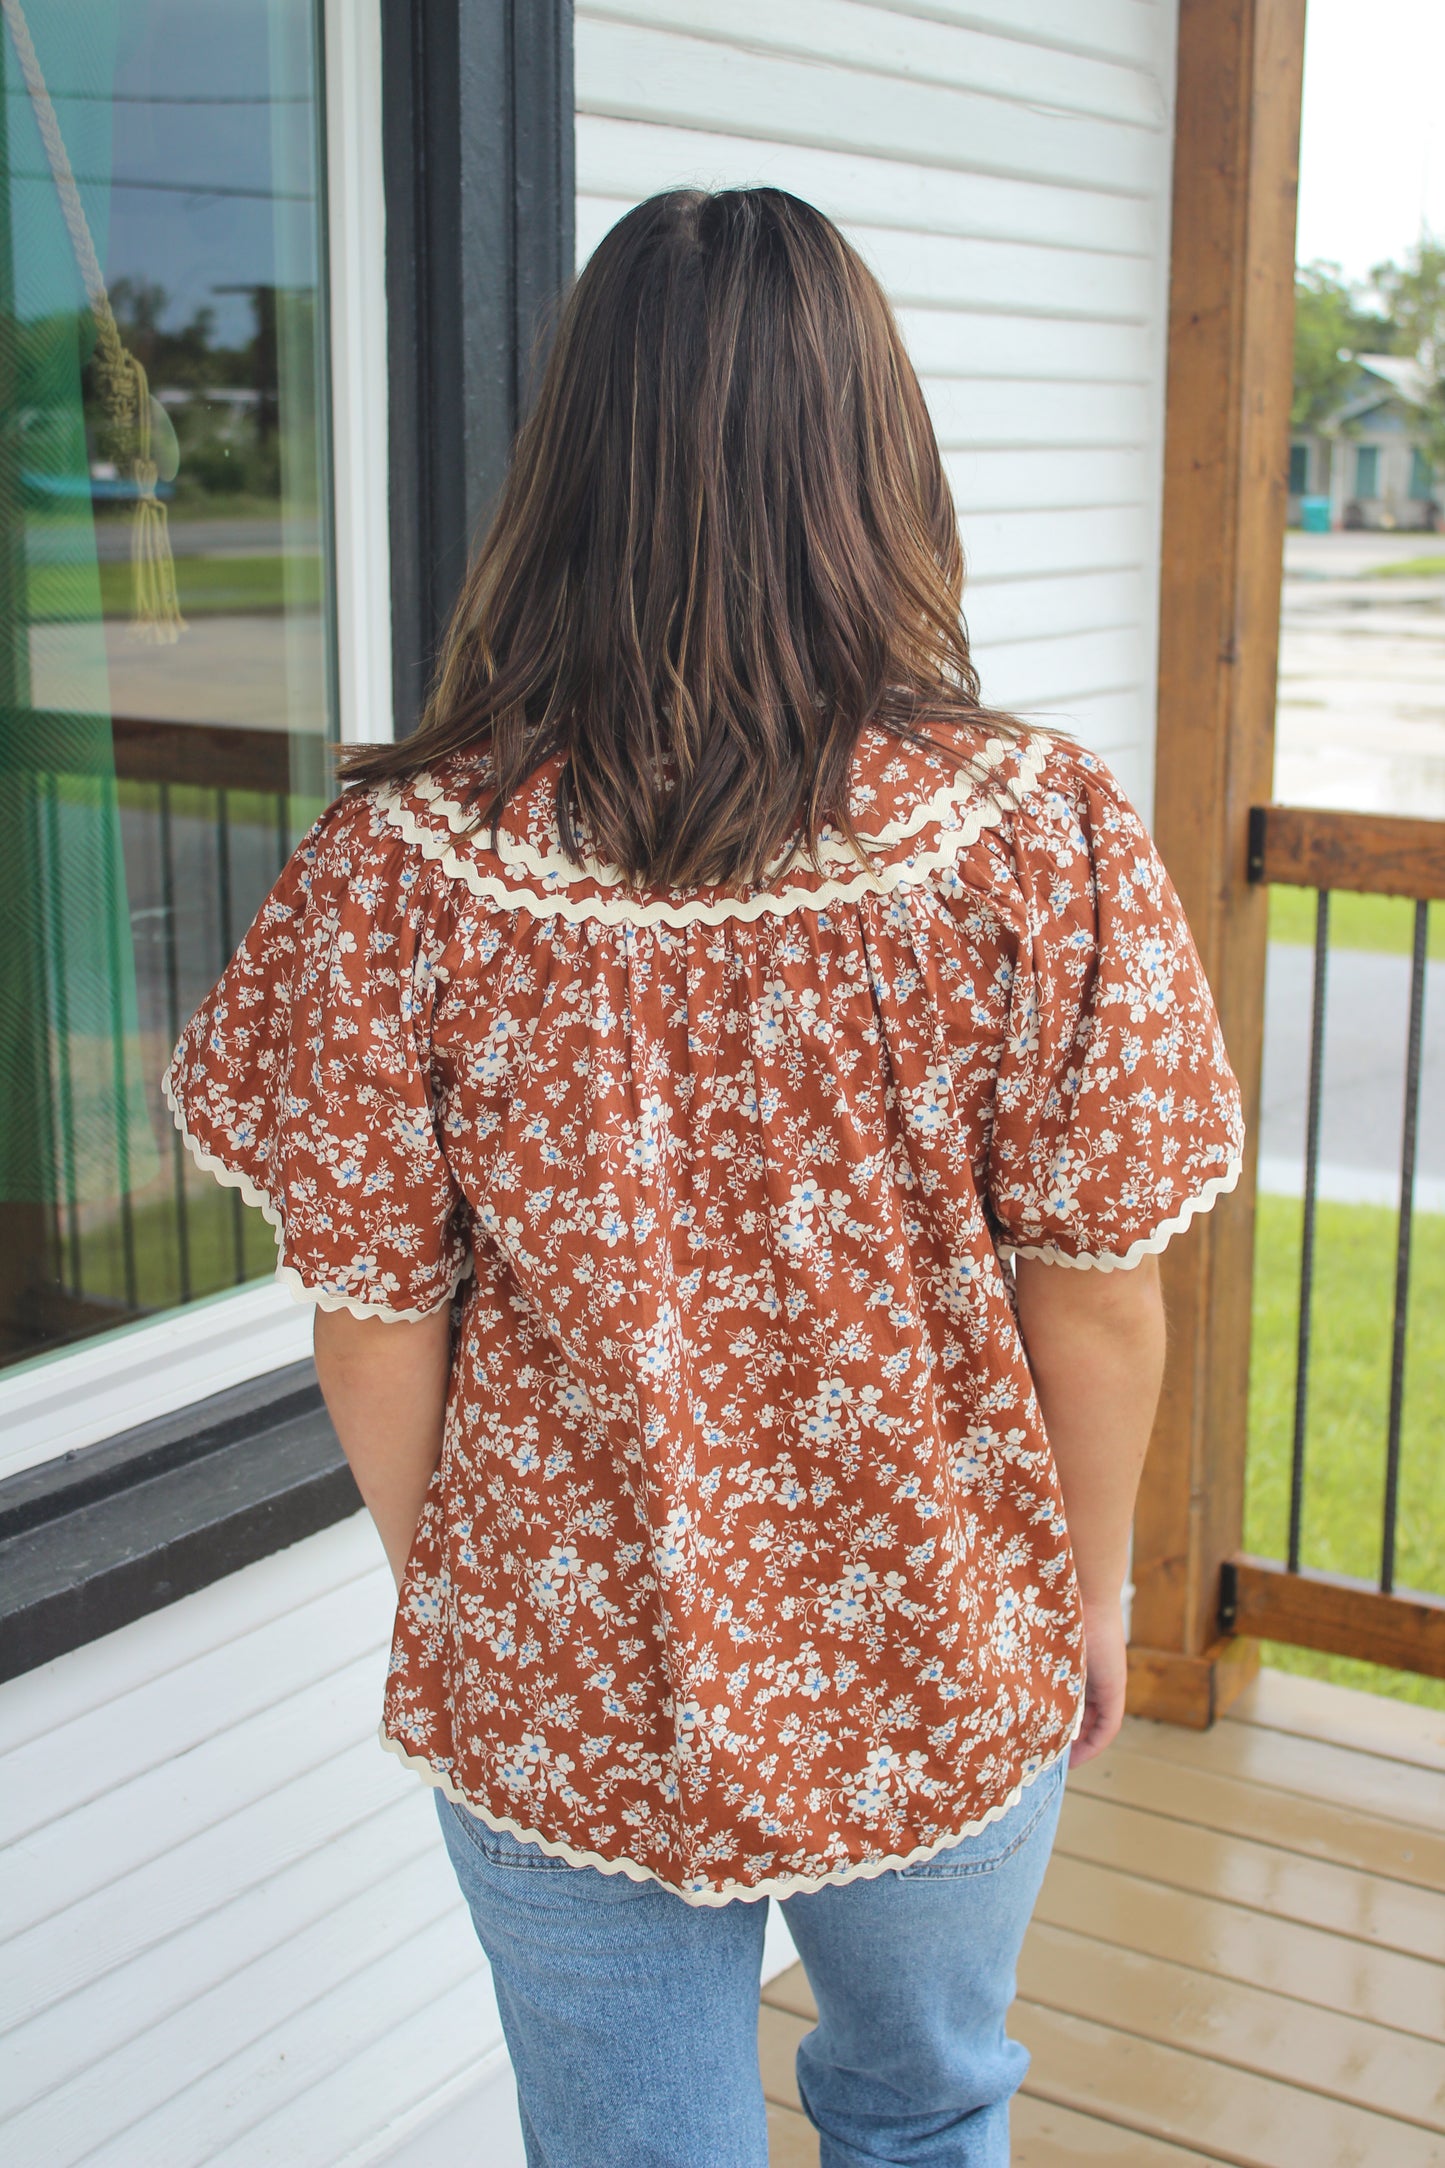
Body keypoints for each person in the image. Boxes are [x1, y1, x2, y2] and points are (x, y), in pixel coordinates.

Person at [165, 188, 1244, 2168]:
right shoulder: (1043, 838)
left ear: (567, 468)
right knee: (923, 2115)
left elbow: (370, 1318)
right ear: (877, 463)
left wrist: (473, 1597)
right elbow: (1100, 1286)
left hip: (562, 1652)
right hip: (941, 1631)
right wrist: (1089, 1589)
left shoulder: (397, 867)